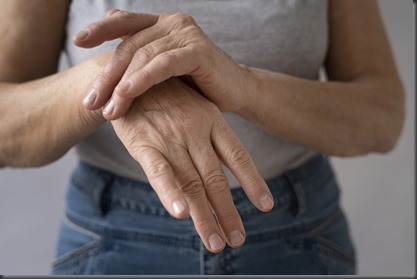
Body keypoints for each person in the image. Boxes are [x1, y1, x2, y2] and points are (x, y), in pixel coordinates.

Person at [0, 0, 404, 275]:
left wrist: (247, 86)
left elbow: (382, 114)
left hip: (297, 229)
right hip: (113, 233)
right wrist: (115, 78)